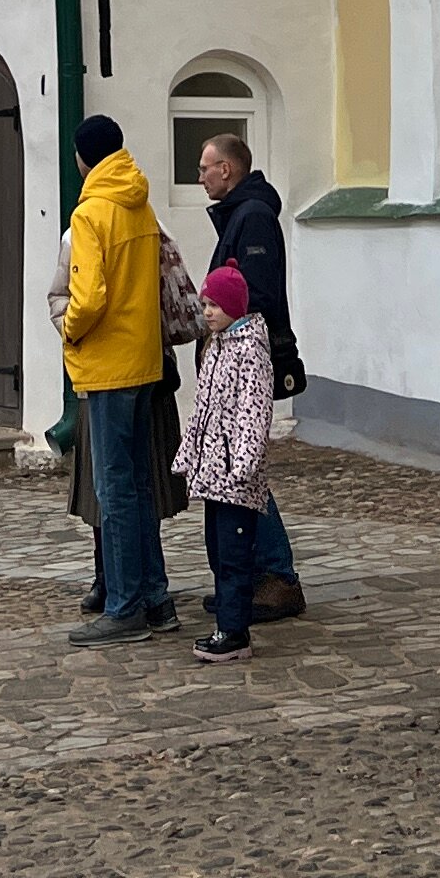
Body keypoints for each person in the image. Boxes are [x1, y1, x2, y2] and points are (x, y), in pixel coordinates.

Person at [58, 113, 178, 639]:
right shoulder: (140, 204)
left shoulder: (91, 214)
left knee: (114, 489)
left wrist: (70, 330)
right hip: (144, 359)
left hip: (107, 364)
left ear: (84, 158)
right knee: (138, 484)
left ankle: (125, 606)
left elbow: (88, 298)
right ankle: (156, 599)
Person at [50, 216, 195, 618]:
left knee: (115, 487)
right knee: (136, 485)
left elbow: (80, 301)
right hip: (148, 369)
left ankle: (126, 596)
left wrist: (76, 338)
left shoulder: (88, 224)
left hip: (111, 375)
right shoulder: (150, 220)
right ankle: (148, 593)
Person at [196, 130, 305, 621]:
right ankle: (253, 578)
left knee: (244, 470)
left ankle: (277, 576)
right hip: (233, 360)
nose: (199, 177)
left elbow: (254, 297)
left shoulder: (253, 217)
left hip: (246, 364)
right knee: (237, 470)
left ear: (228, 169)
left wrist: (229, 347)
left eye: (205, 167)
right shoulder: (241, 213)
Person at [175, 263, 276, 663]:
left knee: (234, 555)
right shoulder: (216, 346)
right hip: (212, 474)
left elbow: (254, 411)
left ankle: (234, 632)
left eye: (215, 304)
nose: (208, 311)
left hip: (235, 476)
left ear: (234, 306)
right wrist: (189, 454)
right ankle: (227, 622)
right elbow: (202, 410)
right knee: (217, 550)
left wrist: (244, 465)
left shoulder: (250, 350)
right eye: (205, 304)